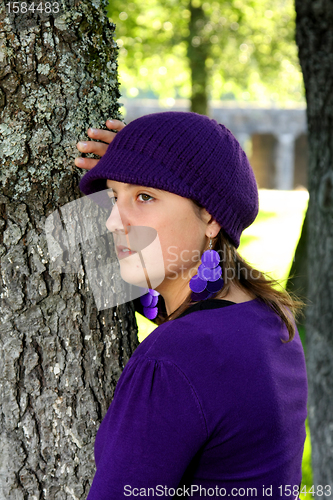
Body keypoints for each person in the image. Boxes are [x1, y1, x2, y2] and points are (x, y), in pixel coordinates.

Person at [75, 112, 308, 499]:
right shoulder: (268, 316)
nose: (114, 221)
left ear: (211, 217)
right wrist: (143, 156)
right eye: (114, 197)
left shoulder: (171, 359)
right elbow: (168, 304)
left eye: (145, 196)